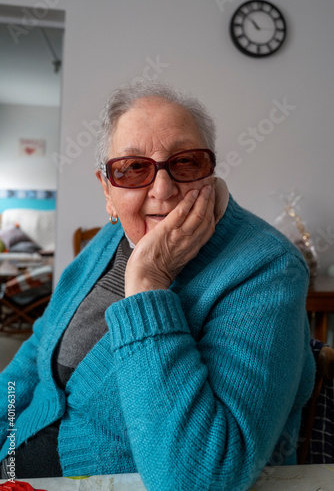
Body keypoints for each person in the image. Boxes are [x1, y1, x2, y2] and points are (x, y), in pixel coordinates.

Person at [0, 81, 315, 490]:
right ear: (107, 190)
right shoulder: (111, 240)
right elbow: (38, 349)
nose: (163, 191)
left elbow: (201, 477)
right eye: (132, 168)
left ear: (211, 169)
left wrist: (149, 283)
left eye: (185, 163)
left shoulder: (268, 269)